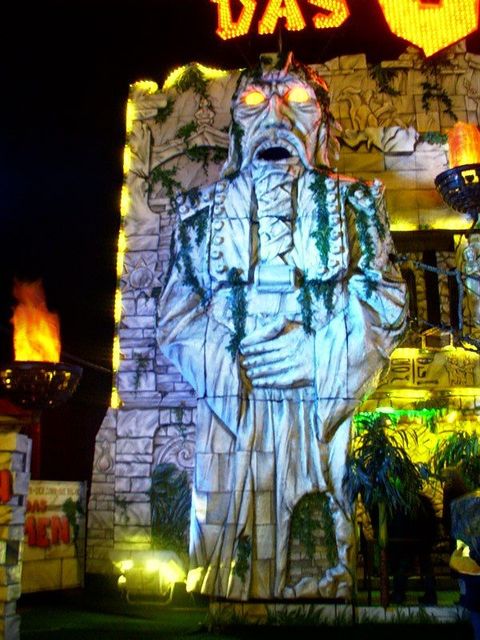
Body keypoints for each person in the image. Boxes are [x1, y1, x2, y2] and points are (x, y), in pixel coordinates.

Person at [157, 52, 407, 601]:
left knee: (316, 530)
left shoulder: (356, 203)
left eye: (296, 100)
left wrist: (320, 353)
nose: (276, 117)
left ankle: (317, 585)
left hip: (317, 406)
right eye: (254, 102)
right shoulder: (198, 214)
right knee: (232, 548)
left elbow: (387, 302)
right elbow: (175, 318)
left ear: (322, 124)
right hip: (233, 405)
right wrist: (236, 371)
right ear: (236, 130)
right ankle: (231, 591)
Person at [388, 494, 439, 605]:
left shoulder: (401, 501)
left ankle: (399, 594)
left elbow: (398, 522)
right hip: (422, 538)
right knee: (426, 565)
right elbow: (432, 521)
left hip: (406, 539)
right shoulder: (423, 500)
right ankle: (431, 595)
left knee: (402, 565)